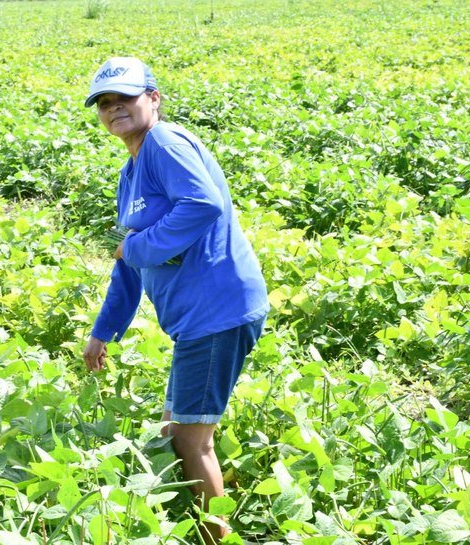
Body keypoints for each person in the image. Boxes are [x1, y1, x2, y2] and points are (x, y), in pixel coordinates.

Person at [82, 57, 269, 543]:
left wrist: (139, 246)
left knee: (190, 437)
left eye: (124, 97)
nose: (113, 108)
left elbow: (202, 204)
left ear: (153, 98)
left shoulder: (165, 142)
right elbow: (131, 262)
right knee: (172, 427)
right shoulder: (132, 171)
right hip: (198, 318)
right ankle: (190, 514)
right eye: (104, 102)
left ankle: (216, 537)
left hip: (218, 310)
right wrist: (104, 331)